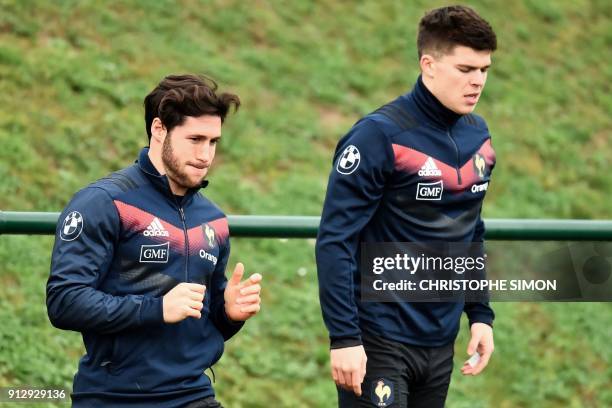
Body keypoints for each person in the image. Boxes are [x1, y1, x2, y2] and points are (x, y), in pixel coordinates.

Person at [316, 6, 497, 407]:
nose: (477, 81)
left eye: (484, 69)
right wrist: (344, 338)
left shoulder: (478, 137)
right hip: (379, 337)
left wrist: (480, 314)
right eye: (465, 68)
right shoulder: (378, 136)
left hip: (440, 339)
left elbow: (471, 230)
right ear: (428, 65)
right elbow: (335, 241)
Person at [46, 74, 262, 408]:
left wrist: (229, 314)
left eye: (213, 141)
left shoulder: (213, 220)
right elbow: (65, 301)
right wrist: (157, 308)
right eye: (195, 139)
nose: (206, 155)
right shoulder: (105, 202)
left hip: (193, 394)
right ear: (159, 129)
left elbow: (204, 322)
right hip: (114, 397)